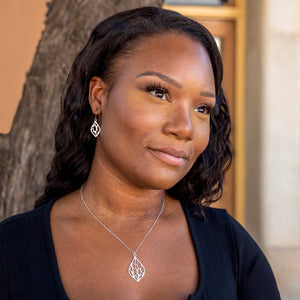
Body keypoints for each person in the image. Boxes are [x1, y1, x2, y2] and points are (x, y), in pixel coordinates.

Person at [0, 6, 280, 300]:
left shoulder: (230, 247)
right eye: (159, 93)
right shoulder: (11, 251)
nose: (184, 128)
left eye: (202, 108)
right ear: (99, 97)